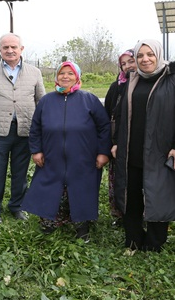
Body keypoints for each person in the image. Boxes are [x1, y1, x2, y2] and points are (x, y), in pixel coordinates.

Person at [111, 39, 175, 252]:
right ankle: (133, 239)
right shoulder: (132, 79)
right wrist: (117, 141)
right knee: (132, 194)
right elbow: (119, 113)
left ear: (158, 55)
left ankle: (155, 242)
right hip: (132, 148)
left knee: (158, 193)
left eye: (150, 54)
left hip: (161, 149)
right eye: (140, 56)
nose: (145, 59)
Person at [22, 61, 111, 241]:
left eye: (70, 74)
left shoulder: (89, 99)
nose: (65, 77)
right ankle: (49, 221)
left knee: (82, 189)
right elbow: (35, 127)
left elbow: (104, 127)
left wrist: (103, 152)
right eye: (62, 73)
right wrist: (36, 150)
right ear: (56, 77)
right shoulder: (46, 101)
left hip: (83, 157)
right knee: (48, 187)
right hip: (51, 155)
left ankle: (82, 226)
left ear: (77, 77)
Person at [0, 33, 46, 224]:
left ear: (21, 49)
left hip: (25, 130)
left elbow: (41, 102)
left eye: (14, 47)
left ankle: (17, 206)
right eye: (5, 47)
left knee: (20, 172)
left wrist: (40, 131)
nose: (10, 50)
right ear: (0, 50)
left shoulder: (35, 72)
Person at [103, 49, 136, 222]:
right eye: (123, 64)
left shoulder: (151, 84)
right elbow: (107, 114)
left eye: (131, 61)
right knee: (118, 179)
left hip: (140, 141)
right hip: (118, 143)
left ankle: (142, 215)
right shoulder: (117, 86)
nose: (128, 66)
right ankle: (120, 213)